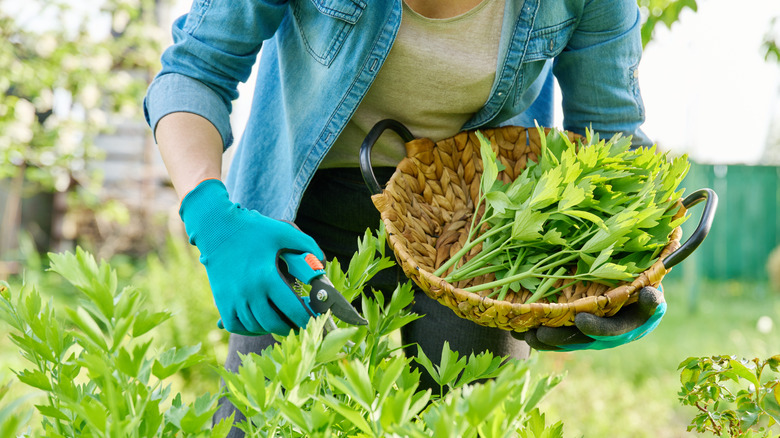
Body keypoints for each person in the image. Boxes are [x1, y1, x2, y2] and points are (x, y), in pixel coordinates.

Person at [144, 0, 666, 434]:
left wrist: (629, 274)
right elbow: (195, 70)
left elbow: (611, 140)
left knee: (469, 423)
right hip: (303, 211)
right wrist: (212, 216)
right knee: (263, 420)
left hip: (486, 233)